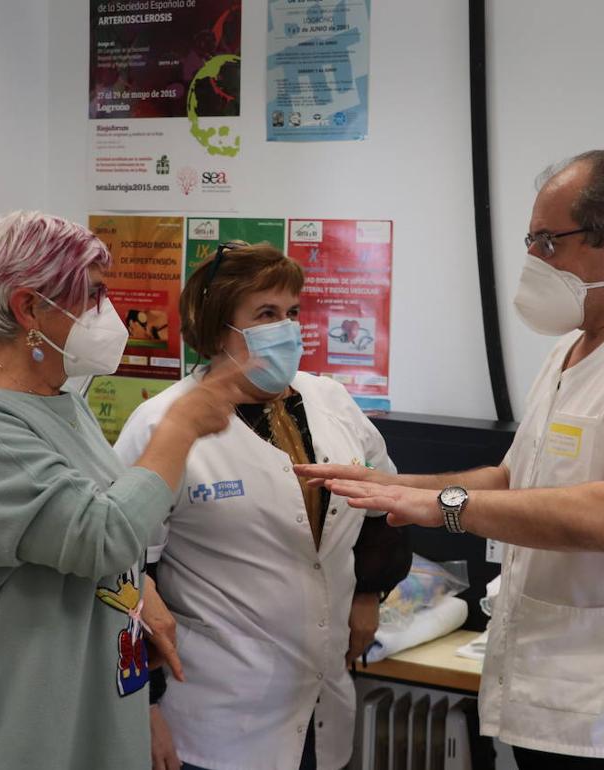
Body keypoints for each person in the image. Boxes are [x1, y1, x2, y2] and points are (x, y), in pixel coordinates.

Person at [299, 151, 604, 768]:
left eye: (548, 242)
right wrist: (395, 487)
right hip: (548, 685)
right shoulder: (574, 346)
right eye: (530, 240)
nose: (533, 261)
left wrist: (446, 507)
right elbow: (515, 479)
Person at [0, 211, 253, 770]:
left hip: (84, 705)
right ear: (29, 307)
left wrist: (139, 594)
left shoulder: (61, 398)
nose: (109, 314)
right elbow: (98, 535)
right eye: (93, 296)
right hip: (5, 727)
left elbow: (105, 511)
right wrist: (179, 428)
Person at [114, 242, 412, 770]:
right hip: (217, 716)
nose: (288, 329)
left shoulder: (330, 402)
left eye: (292, 313)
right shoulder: (162, 424)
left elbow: (384, 505)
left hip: (323, 699)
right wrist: (146, 705)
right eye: (266, 315)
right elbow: (125, 573)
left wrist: (366, 593)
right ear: (218, 329)